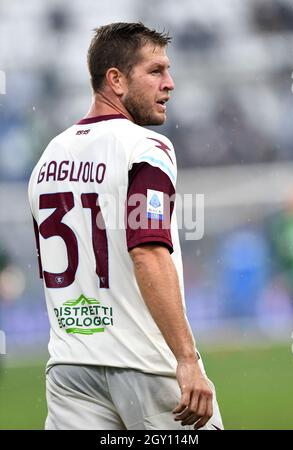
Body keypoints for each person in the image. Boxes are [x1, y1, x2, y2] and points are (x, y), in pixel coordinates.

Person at [28, 22, 223, 431]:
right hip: (144, 365)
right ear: (115, 79)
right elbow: (147, 250)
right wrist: (187, 359)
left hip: (70, 370)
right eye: (155, 71)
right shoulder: (144, 148)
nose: (169, 84)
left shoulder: (48, 157)